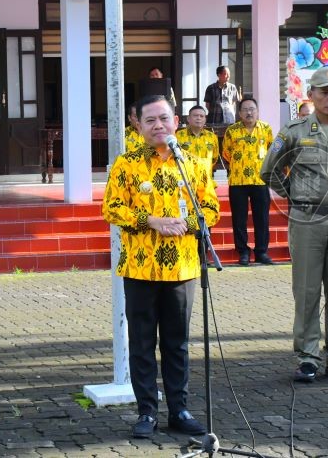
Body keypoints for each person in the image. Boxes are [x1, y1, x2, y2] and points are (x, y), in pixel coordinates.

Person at [103, 94, 219, 439]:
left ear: (176, 121)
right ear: (137, 125)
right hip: (140, 269)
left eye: (164, 119)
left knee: (177, 343)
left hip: (183, 269)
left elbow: (210, 209)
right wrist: (151, 220)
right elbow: (112, 209)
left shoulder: (194, 163)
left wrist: (189, 224)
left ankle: (179, 410)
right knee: (141, 343)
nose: (158, 126)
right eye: (150, 120)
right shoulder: (126, 164)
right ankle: (146, 412)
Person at [260, 67, 328, 383]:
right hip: (307, 220)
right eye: (324, 92)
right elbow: (268, 171)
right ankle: (308, 357)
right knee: (308, 291)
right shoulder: (294, 131)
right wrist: (294, 196)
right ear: (310, 95)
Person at [222, 97, 274, 265]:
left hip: (260, 180)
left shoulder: (265, 129)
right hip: (238, 181)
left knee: (262, 218)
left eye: (252, 109)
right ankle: (243, 252)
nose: (249, 112)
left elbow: (271, 150)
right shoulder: (232, 131)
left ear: (257, 111)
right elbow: (226, 153)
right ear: (239, 113)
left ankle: (261, 252)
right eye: (245, 109)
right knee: (239, 219)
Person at [175, 105, 219, 174]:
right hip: (185, 178)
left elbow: (214, 158)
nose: (198, 118)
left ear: (205, 119)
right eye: (195, 115)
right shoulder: (178, 135)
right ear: (188, 118)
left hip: (205, 178)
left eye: (201, 116)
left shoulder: (212, 137)